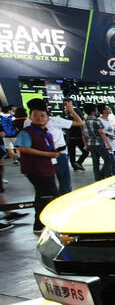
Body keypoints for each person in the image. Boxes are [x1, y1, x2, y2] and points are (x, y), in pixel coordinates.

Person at [15, 99, 61, 233]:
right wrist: (47, 154)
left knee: (42, 196)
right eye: (35, 115)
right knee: (52, 195)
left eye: (43, 116)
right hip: (35, 169)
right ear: (30, 117)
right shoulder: (27, 132)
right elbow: (23, 148)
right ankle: (48, 223)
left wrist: (53, 154)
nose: (39, 118)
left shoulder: (47, 133)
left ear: (47, 119)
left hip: (46, 168)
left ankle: (39, 225)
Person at [83, 103, 115, 180]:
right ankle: (107, 176)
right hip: (99, 142)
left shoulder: (85, 120)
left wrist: (86, 144)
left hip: (90, 144)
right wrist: (108, 144)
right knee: (108, 159)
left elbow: (84, 134)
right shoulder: (96, 120)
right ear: (94, 111)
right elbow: (101, 132)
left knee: (95, 162)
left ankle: (98, 178)